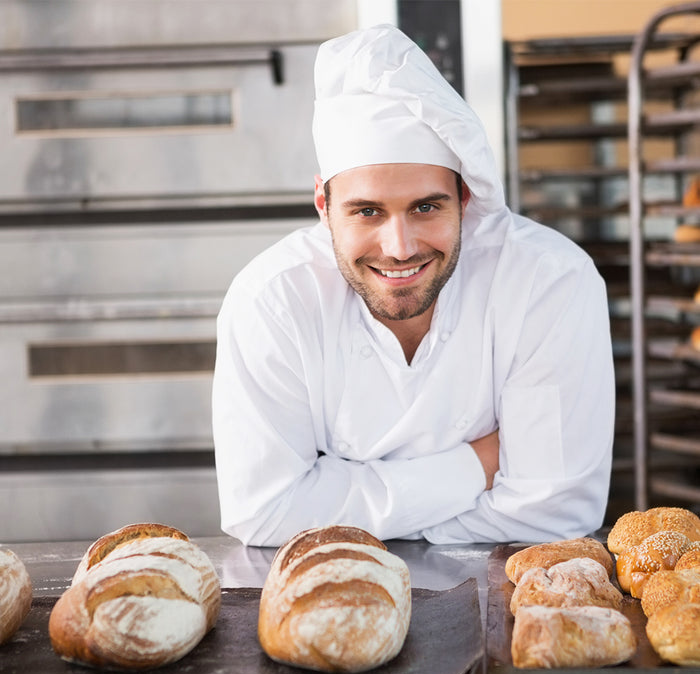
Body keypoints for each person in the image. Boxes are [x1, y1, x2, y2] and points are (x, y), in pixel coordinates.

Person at [212, 24, 615, 547]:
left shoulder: (549, 282)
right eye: (367, 211)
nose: (399, 246)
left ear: (464, 199)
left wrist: (335, 504)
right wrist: (478, 463)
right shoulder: (272, 301)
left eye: (426, 207)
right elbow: (263, 514)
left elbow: (554, 513)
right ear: (323, 205)